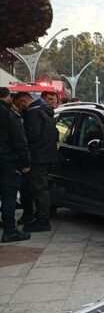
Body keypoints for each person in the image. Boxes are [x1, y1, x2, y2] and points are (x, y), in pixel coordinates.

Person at [13, 91, 58, 233]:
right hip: (47, 156)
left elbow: (31, 136)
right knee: (40, 188)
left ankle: (43, 221)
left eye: (18, 105)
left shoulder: (32, 114)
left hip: (38, 157)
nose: (19, 109)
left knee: (39, 189)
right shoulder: (45, 111)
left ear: (23, 101)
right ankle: (39, 217)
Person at [0, 88, 31, 243]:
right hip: (7, 162)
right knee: (9, 197)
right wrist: (26, 162)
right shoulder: (9, 115)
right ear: (8, 98)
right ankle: (10, 231)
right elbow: (20, 141)